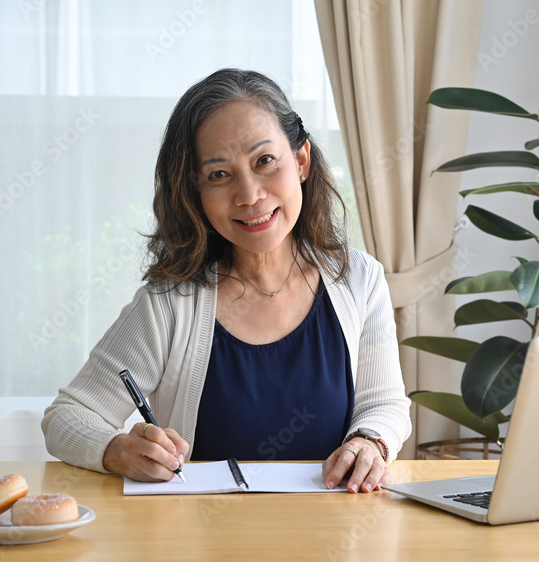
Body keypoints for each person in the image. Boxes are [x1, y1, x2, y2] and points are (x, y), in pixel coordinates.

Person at [42, 68, 410, 494]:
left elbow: (384, 403)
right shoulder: (168, 304)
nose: (250, 194)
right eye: (219, 174)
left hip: (334, 540)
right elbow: (67, 415)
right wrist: (115, 449)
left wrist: (370, 442)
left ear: (302, 161)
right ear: (194, 192)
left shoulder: (359, 278)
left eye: (265, 161)